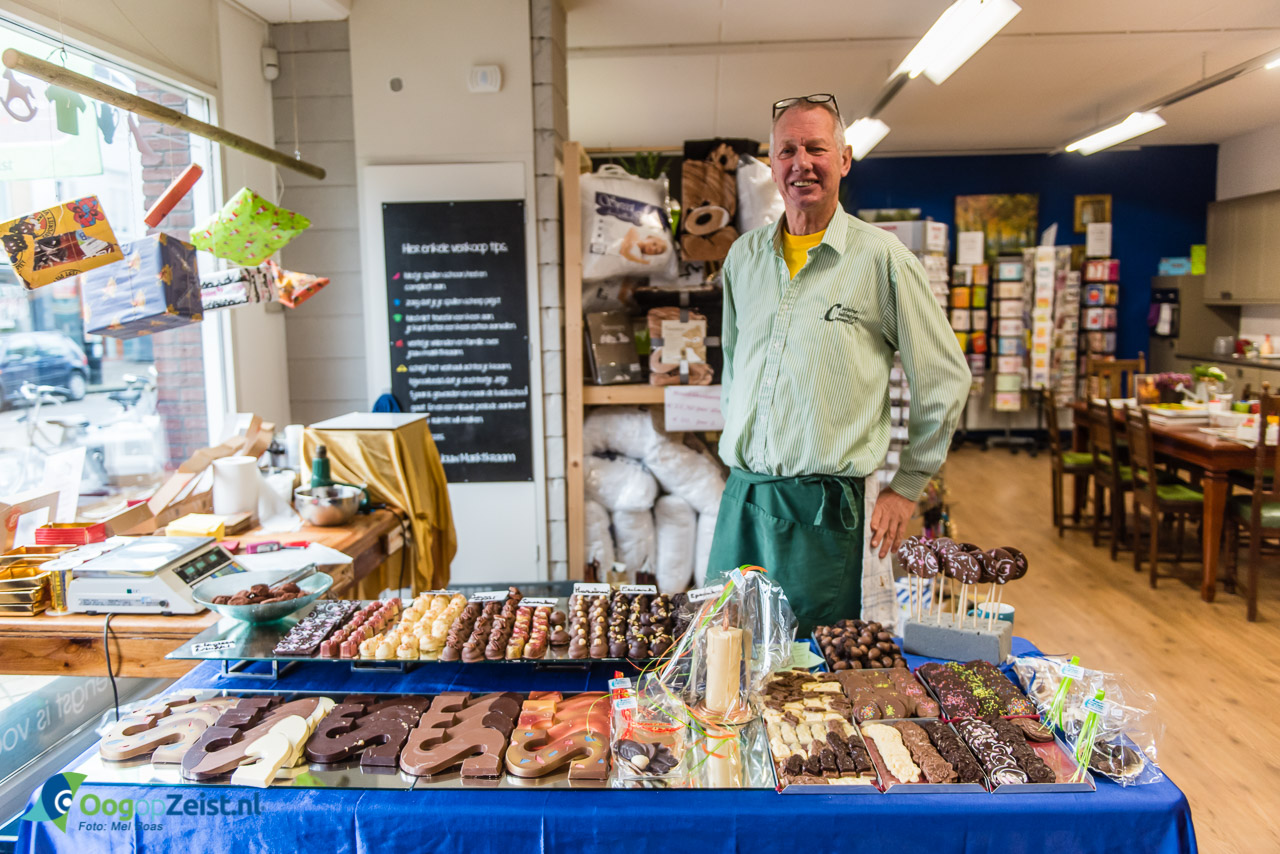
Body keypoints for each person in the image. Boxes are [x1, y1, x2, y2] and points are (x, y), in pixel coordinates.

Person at [706, 93, 970, 634]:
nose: (801, 163)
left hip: (822, 514)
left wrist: (908, 484)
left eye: (816, 149)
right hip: (743, 498)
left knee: (807, 679)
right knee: (722, 656)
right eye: (787, 150)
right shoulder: (744, 258)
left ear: (844, 159)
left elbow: (944, 377)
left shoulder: (884, 260)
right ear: (773, 165)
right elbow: (734, 362)